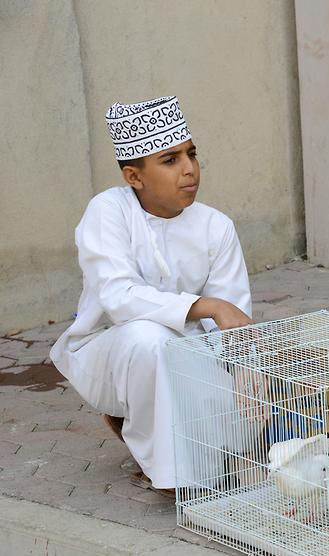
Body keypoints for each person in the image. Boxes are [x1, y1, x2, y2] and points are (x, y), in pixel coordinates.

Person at [50, 96, 253, 497]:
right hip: (108, 353)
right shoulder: (107, 211)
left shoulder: (216, 227)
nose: (189, 169)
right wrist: (207, 305)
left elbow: (232, 323)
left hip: (190, 356)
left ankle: (146, 430)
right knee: (149, 338)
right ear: (134, 177)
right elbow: (119, 297)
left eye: (192, 155)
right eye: (170, 160)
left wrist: (246, 379)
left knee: (241, 437)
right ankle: (166, 475)